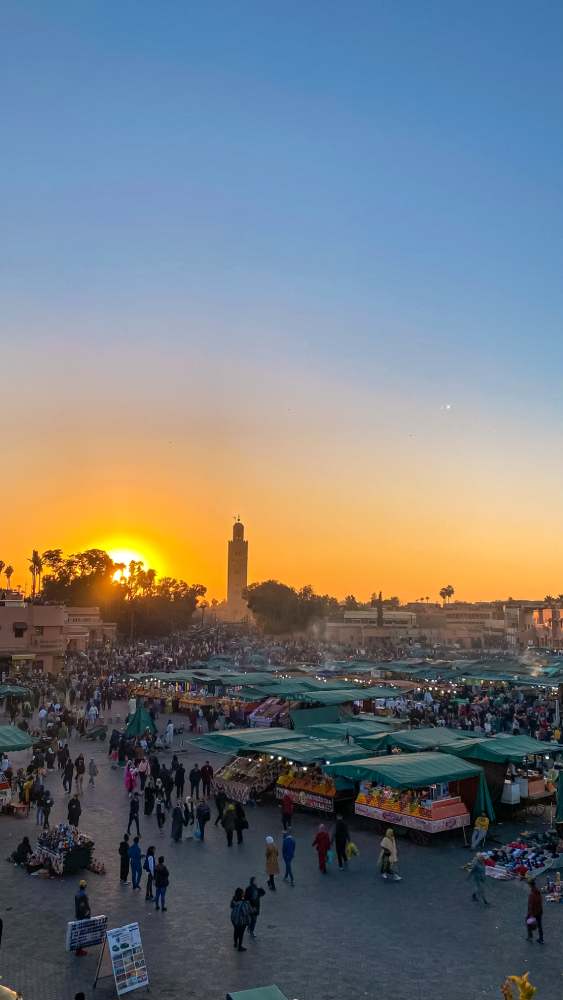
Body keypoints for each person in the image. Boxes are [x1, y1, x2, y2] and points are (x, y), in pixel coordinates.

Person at [230, 887, 252, 952]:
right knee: (241, 933)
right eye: (243, 892)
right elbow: (245, 912)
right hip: (241, 921)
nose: (244, 893)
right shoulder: (244, 903)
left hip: (234, 919)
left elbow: (231, 906)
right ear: (241, 894)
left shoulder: (234, 900)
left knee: (236, 931)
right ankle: (240, 947)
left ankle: (235, 943)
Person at [74, 880, 91, 956]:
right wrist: (87, 914)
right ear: (85, 886)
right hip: (82, 916)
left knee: (79, 932)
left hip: (78, 915)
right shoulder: (83, 895)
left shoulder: (77, 893)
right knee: (82, 933)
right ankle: (79, 950)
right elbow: (83, 906)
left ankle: (78, 949)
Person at [526, 879, 543, 943]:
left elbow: (530, 905)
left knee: (528, 922)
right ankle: (541, 939)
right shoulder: (538, 892)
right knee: (540, 925)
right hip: (539, 911)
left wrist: (530, 914)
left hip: (533, 912)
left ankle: (530, 937)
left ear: (530, 885)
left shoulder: (531, 894)